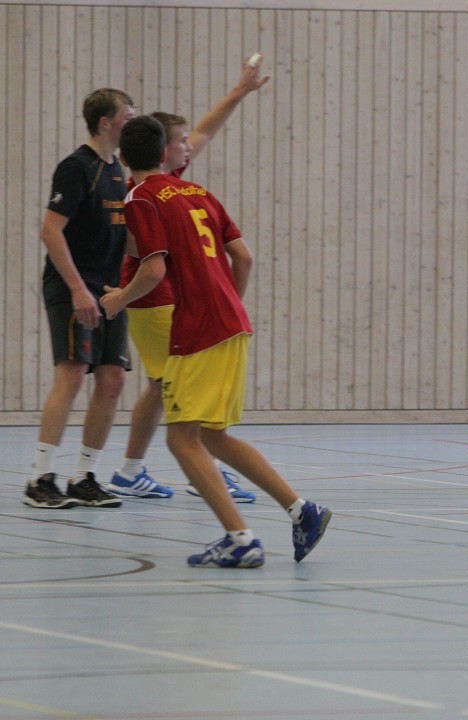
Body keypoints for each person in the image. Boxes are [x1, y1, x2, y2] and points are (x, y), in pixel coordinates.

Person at [101, 116, 330, 567]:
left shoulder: (140, 198)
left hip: (199, 329)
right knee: (213, 436)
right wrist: (228, 302)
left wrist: (117, 300)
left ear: (124, 159)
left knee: (182, 440)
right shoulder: (199, 193)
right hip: (233, 323)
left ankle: (240, 539)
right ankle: (303, 511)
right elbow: (243, 256)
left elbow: (152, 270)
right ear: (165, 153)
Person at [105, 53, 270, 502]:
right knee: (174, 383)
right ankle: (200, 468)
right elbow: (144, 256)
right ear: (161, 149)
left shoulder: (170, 183)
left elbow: (206, 130)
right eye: (179, 141)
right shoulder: (142, 191)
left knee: (166, 384)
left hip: (168, 294)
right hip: (151, 294)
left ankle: (134, 470)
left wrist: (238, 92)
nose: (189, 146)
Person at [23, 89, 137, 509]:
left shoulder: (116, 172)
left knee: (113, 378)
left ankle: (85, 476)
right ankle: (39, 478)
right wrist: (76, 289)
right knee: (72, 374)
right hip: (73, 287)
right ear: (106, 122)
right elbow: (51, 230)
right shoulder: (76, 167)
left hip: (109, 290)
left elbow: (122, 236)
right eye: (128, 116)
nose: (132, 122)